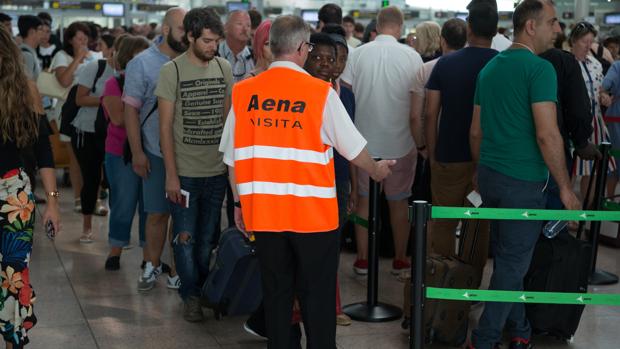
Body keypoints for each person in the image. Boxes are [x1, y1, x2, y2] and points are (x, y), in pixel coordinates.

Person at [219, 15, 395, 349]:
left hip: (266, 215)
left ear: (271, 48)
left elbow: (232, 158)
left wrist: (240, 204)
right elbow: (355, 150)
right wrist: (377, 171)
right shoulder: (319, 93)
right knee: (317, 294)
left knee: (276, 293)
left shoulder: (244, 94)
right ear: (302, 48)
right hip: (313, 217)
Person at [467, 1, 581, 348]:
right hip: (523, 182)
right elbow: (547, 134)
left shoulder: (489, 70)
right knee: (514, 264)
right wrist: (565, 187)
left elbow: (475, 131)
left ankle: (520, 330)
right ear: (530, 27)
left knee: (507, 257)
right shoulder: (539, 70)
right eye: (552, 22)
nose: (557, 30)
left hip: (490, 176)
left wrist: (480, 170)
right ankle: (483, 340)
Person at [156, 7, 233, 322]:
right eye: (206, 41)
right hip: (185, 174)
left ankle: (201, 289)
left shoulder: (224, 68)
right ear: (190, 36)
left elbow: (229, 122)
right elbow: (164, 128)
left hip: (216, 172)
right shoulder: (171, 72)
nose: (212, 47)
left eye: (216, 41)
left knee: (208, 240)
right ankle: (191, 295)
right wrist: (171, 175)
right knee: (185, 239)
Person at [341, 6, 424, 276]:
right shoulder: (412, 57)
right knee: (399, 203)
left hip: (363, 145)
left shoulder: (357, 54)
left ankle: (363, 259)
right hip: (402, 144)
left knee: (364, 202)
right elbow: (417, 103)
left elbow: (348, 96)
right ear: (399, 28)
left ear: (377, 26)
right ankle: (400, 260)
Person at [425, 5, 497, 285]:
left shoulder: (446, 64)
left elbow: (431, 113)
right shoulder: (500, 65)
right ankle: (470, 284)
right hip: (489, 161)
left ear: (469, 29)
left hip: (448, 157)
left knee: (443, 223)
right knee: (478, 226)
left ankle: (441, 282)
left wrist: (432, 154)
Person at [0, 25, 60, 348]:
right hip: (15, 195)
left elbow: (43, 149)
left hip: (15, 196)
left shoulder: (26, 90)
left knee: (14, 276)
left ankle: (14, 341)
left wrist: (52, 202)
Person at [123, 7, 187, 292]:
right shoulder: (142, 64)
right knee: (157, 213)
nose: (188, 35)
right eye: (182, 29)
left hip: (188, 155)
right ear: (165, 30)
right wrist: (137, 152)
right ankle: (151, 264)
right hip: (155, 152)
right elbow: (131, 112)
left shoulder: (194, 60)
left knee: (182, 215)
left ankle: (177, 268)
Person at [101, 35, 151, 271]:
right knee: (124, 202)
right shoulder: (114, 84)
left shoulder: (155, 81)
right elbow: (120, 118)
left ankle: (149, 254)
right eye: (137, 56)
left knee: (149, 206)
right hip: (121, 152)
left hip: (150, 149)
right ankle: (115, 250)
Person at [70, 34, 116, 243]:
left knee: (113, 181)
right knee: (91, 179)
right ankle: (86, 227)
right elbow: (80, 99)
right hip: (87, 131)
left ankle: (116, 232)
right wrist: (108, 100)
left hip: (113, 133)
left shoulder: (129, 71)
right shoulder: (95, 68)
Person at [50, 21, 98, 213]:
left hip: (92, 111)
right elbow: (64, 81)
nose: (83, 42)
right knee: (76, 158)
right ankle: (78, 197)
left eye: (86, 38)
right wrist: (77, 58)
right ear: (70, 39)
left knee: (95, 157)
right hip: (70, 111)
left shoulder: (95, 57)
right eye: (79, 38)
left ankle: (95, 198)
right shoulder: (61, 56)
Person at [569, 21, 616, 204]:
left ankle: (586, 212)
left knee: (593, 169)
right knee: (571, 170)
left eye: (591, 42)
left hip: (595, 122)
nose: (588, 46)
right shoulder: (567, 63)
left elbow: (602, 90)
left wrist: (605, 96)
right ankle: (564, 216)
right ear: (573, 41)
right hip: (574, 123)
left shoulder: (595, 63)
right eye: (584, 42)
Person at [219, 10, 253, 83]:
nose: (245, 29)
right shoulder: (214, 54)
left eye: (248, 25)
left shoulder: (255, 57)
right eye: (239, 24)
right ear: (226, 27)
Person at [603, 58, 620, 195]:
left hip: (616, 117)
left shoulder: (617, 66)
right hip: (616, 118)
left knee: (614, 160)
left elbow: (605, 84)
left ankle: (610, 198)